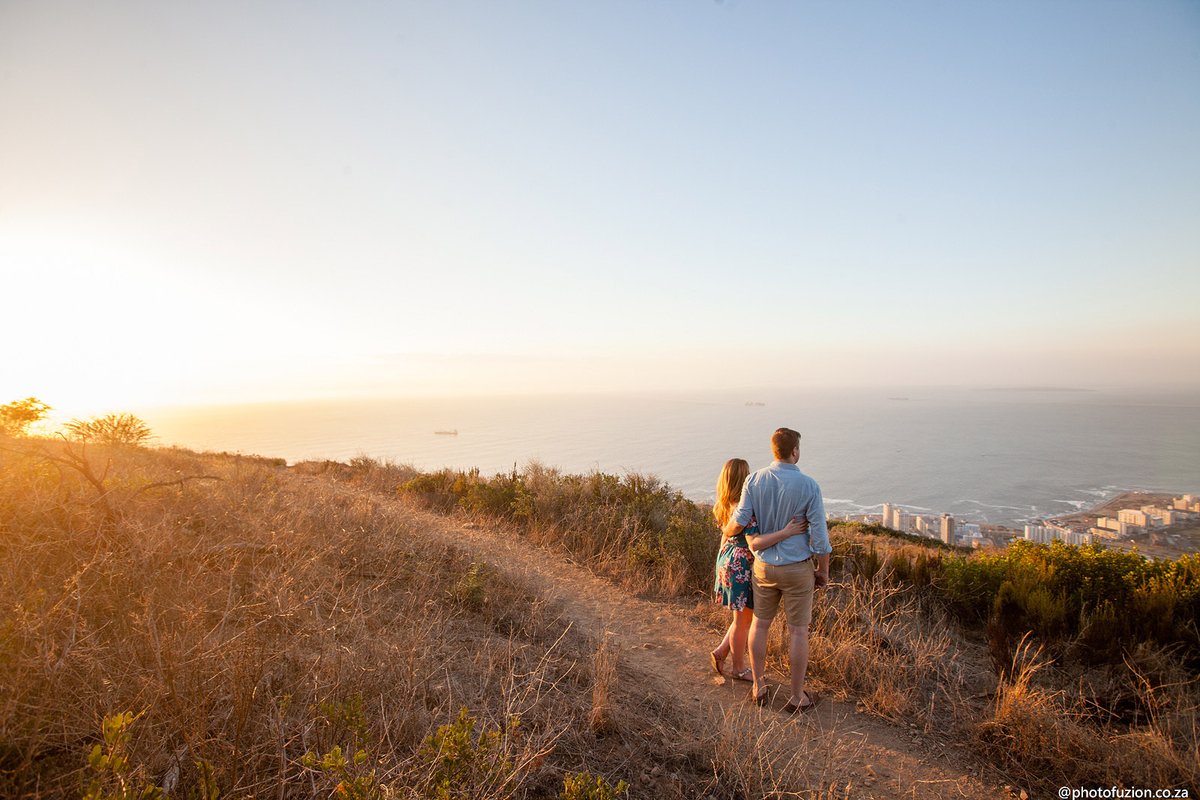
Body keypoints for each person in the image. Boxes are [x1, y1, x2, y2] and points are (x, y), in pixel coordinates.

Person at [722, 427, 831, 713]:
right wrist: (823, 571)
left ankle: (759, 686)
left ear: (774, 450)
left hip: (764, 566)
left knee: (759, 624)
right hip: (797, 568)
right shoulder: (809, 486)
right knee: (797, 632)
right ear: (794, 451)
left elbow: (741, 519)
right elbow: (819, 535)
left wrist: (725, 531)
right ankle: (796, 697)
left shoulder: (754, 480)